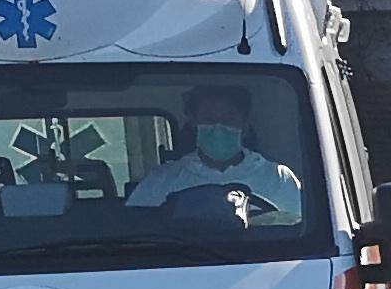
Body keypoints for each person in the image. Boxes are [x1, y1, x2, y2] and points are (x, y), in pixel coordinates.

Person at [129, 85, 302, 219]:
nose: (218, 127)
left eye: (229, 119)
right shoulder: (162, 180)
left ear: (244, 126)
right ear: (194, 124)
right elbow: (135, 231)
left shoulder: (278, 177)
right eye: (209, 119)